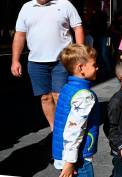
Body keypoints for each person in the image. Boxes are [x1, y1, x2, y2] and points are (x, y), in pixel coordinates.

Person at [11, 0, 84, 131]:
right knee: (45, 97)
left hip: (62, 60)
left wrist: (80, 54)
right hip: (36, 62)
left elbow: (77, 27)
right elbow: (20, 35)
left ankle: (66, 129)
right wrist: (15, 60)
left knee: (60, 97)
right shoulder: (26, 8)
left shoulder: (64, 5)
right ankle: (55, 130)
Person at [52, 44, 101, 177]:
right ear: (81, 68)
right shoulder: (84, 95)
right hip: (78, 157)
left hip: (64, 152)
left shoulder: (68, 88)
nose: (97, 67)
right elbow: (74, 130)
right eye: (94, 65)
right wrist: (70, 162)